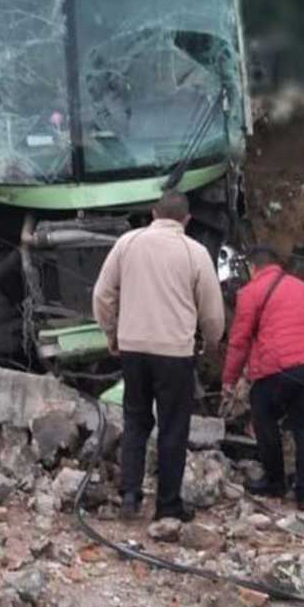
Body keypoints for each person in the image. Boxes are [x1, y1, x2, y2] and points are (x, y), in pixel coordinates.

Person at [91, 192, 226, 522]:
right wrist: (211, 343)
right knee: (173, 427)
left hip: (133, 348)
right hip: (175, 352)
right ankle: (168, 505)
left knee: (135, 422)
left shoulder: (127, 243)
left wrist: (112, 334)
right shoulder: (194, 252)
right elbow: (211, 312)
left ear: (153, 213)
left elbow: (102, 295)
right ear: (187, 220)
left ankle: (130, 497)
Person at [222, 246, 304, 511]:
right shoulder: (302, 287)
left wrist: (229, 379)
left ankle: (274, 481)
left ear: (253, 267)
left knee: (264, 418)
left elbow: (239, 341)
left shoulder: (250, 292)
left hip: (277, 367)